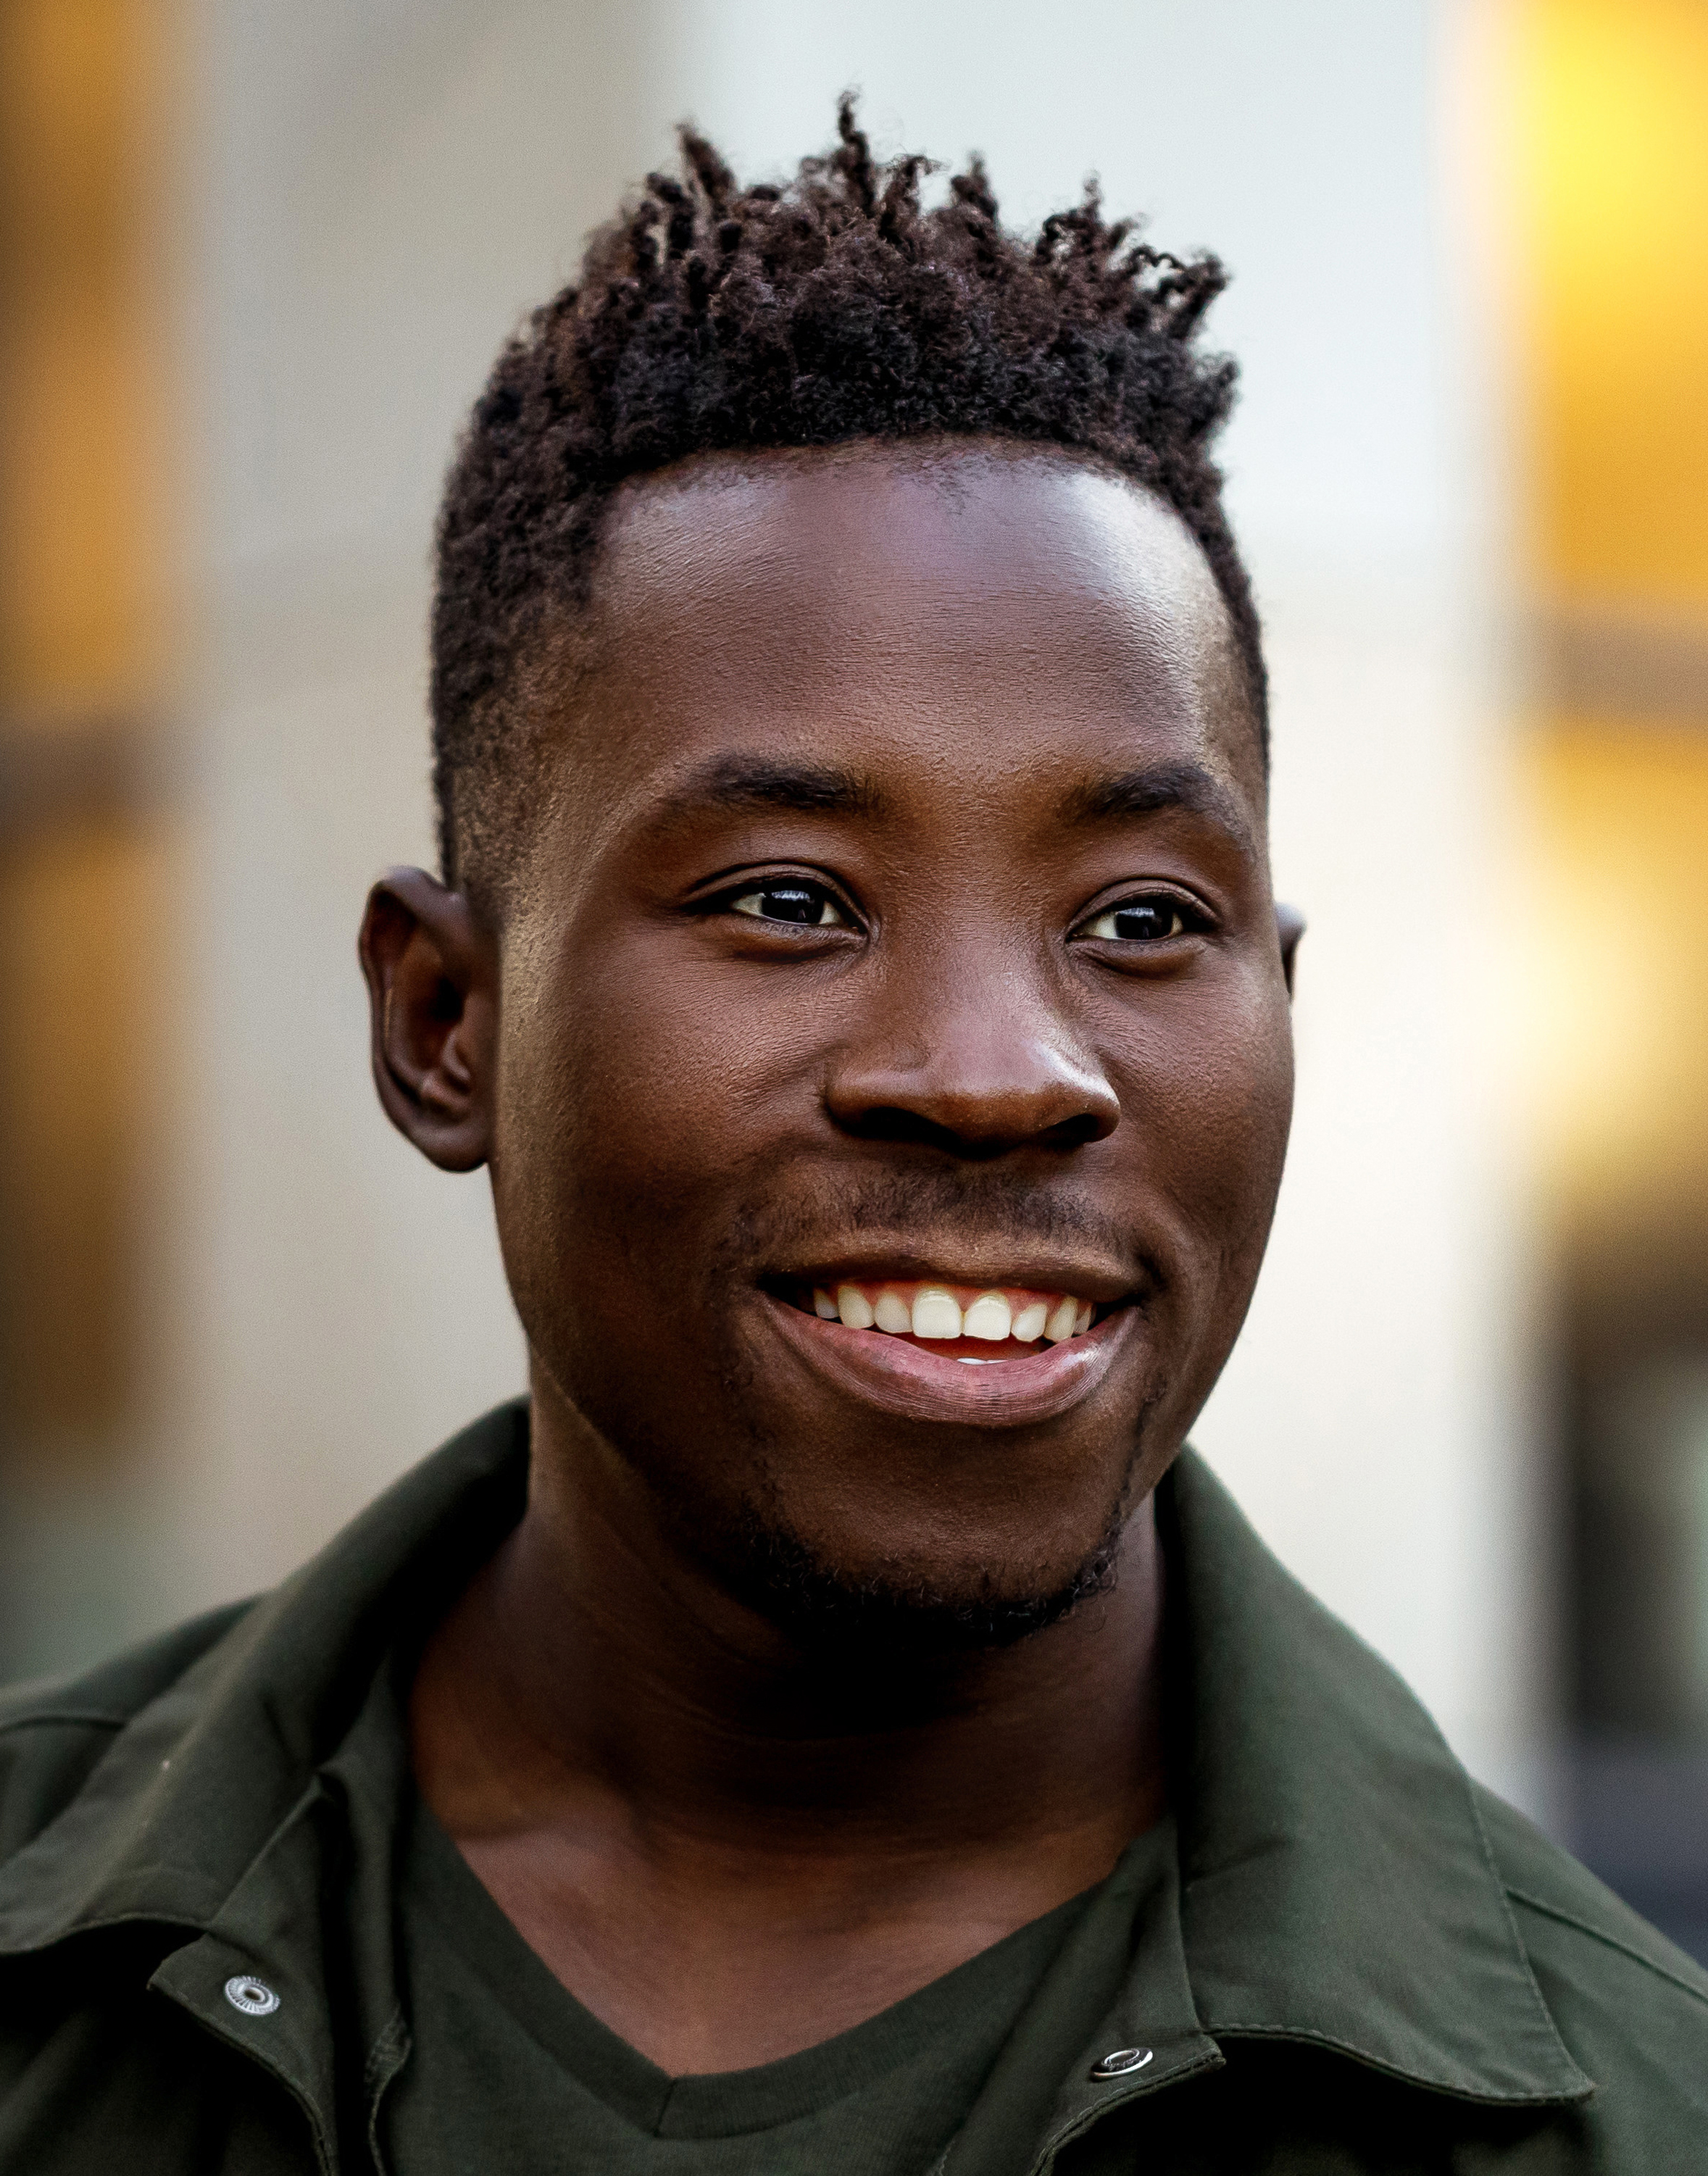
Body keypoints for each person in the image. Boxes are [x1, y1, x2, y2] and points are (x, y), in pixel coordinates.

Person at [1, 102, 1703, 2176]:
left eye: (1144, 921)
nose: (1001, 1073)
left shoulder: (1628, 2115)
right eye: (792, 897)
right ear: (446, 1021)